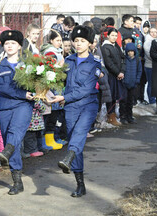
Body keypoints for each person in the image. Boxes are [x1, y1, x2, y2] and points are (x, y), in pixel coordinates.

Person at [51, 25, 102, 197]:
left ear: (90, 43)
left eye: (83, 41)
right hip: (71, 107)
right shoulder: (68, 60)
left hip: (88, 104)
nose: (78, 44)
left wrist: (64, 97)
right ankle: (80, 184)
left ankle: (69, 157)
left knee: (79, 134)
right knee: (75, 140)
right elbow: (60, 82)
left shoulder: (95, 63)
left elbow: (87, 89)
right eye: (76, 41)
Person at [0, 30, 34, 195]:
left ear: (19, 46)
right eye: (7, 44)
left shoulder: (28, 64)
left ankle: (7, 152)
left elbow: (37, 82)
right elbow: (2, 87)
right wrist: (22, 93)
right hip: (5, 106)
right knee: (10, 140)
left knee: (15, 133)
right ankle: (17, 181)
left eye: (13, 43)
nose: (10, 46)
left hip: (23, 105)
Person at [101, 28, 126, 126]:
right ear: (108, 36)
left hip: (119, 75)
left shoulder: (116, 46)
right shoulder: (105, 47)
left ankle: (114, 115)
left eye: (116, 36)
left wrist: (122, 71)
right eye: (112, 35)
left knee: (116, 96)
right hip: (111, 75)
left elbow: (123, 58)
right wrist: (117, 73)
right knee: (110, 96)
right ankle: (110, 116)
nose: (114, 37)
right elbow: (108, 63)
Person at [120, 42, 142, 124]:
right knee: (123, 101)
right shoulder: (124, 59)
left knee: (130, 101)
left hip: (133, 83)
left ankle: (129, 116)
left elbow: (139, 71)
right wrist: (122, 81)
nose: (130, 53)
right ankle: (123, 116)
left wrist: (137, 80)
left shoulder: (137, 60)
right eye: (128, 51)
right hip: (125, 83)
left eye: (132, 51)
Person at [144, 28, 157, 104]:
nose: (153, 33)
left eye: (155, 32)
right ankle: (151, 100)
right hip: (150, 65)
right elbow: (150, 54)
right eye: (151, 32)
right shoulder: (147, 42)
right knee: (151, 83)